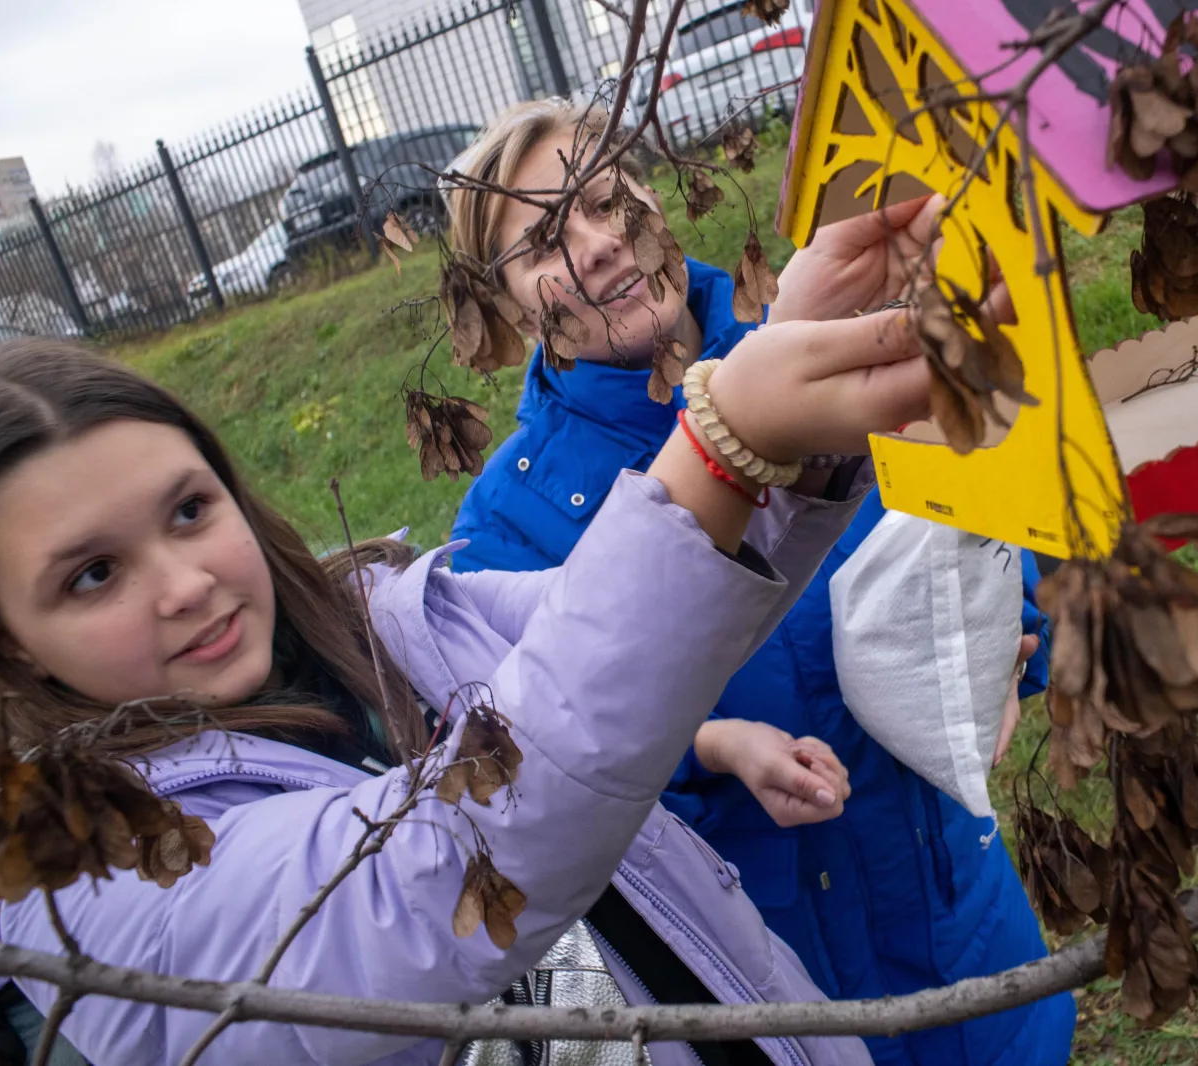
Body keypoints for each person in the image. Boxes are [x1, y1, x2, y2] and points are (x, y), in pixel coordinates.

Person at [0, 325, 929, 1065]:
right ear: (5, 636)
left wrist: (804, 398)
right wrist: (722, 443)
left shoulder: (381, 621)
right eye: (92, 575)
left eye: (189, 509)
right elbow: (435, 879)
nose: (183, 584)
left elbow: (646, 620)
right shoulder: (86, 883)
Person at [444, 101, 1076, 1066]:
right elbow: (526, 766)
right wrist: (705, 744)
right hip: (781, 980)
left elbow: (970, 512)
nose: (601, 244)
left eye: (607, 199)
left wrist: (1007, 641)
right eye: (543, 239)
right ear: (509, 303)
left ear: (656, 201)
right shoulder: (506, 526)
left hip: (959, 932)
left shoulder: (829, 342)